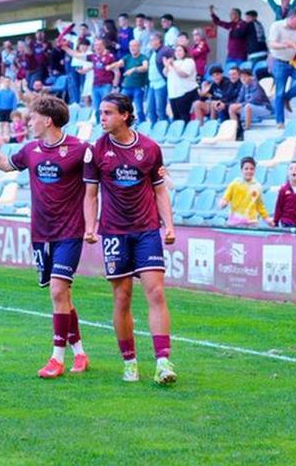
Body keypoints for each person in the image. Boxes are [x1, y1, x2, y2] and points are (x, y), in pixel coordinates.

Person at [0, 95, 90, 378]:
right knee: (62, 295)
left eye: (32, 118)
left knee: (58, 291)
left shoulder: (80, 149)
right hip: (41, 234)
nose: (28, 123)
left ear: (47, 120)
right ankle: (79, 352)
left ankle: (56, 359)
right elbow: (4, 163)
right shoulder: (31, 149)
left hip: (70, 232)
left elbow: (104, 171)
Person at [83, 93, 177, 385]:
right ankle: (130, 362)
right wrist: (90, 226)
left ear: (125, 115)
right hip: (114, 232)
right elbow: (90, 193)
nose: (102, 118)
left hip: (147, 229)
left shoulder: (149, 148)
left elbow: (160, 190)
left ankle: (162, 361)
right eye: (101, 112)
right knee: (122, 297)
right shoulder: (96, 150)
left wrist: (169, 226)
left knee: (156, 292)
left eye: (108, 112)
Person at [268, 9, 296, 128]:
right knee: (279, 92)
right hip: (280, 62)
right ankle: (280, 122)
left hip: (294, 62)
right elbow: (272, 44)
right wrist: (286, 45)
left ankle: (287, 97)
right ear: (292, 17)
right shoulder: (277, 26)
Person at [63, 39, 115, 123]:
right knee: (97, 109)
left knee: (106, 107)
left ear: (103, 46)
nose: (97, 47)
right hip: (95, 85)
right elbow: (77, 55)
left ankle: (109, 124)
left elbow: (116, 71)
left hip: (106, 85)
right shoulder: (93, 57)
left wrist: (115, 86)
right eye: (96, 45)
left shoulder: (110, 56)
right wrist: (65, 48)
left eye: (99, 45)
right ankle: (99, 126)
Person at [219, 156, 273, 227]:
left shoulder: (258, 186)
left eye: (251, 169)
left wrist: (267, 219)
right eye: (246, 169)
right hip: (235, 223)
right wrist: (223, 203)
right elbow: (225, 198)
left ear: (255, 170)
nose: (249, 171)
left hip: (251, 223)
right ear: (242, 170)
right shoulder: (235, 183)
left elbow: (260, 206)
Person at [109, 39, 149, 124]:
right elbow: (119, 63)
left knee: (139, 109)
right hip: (126, 87)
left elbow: (145, 67)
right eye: (131, 46)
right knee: (122, 108)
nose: (132, 48)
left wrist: (134, 69)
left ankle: (143, 126)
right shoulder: (127, 57)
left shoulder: (143, 57)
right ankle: (126, 125)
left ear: (139, 47)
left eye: (135, 46)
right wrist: (110, 66)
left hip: (138, 87)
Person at [229, 68, 272, 133]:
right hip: (251, 108)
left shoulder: (255, 85)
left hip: (264, 108)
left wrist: (240, 105)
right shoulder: (244, 86)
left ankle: (247, 128)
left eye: (245, 76)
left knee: (248, 106)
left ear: (250, 77)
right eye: (241, 77)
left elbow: (254, 100)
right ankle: (237, 130)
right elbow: (239, 98)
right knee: (231, 108)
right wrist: (236, 105)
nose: (243, 79)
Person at [164, 45, 199, 121]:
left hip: (185, 92)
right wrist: (167, 65)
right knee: (176, 117)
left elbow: (184, 74)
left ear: (185, 52)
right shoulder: (174, 62)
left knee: (184, 116)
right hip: (173, 93)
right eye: (176, 51)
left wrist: (173, 65)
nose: (178, 52)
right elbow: (166, 74)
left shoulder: (189, 61)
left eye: (180, 50)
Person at [145, 33, 172, 124]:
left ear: (158, 40)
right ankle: (153, 128)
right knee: (150, 108)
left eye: (152, 40)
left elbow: (174, 56)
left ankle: (163, 127)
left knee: (160, 109)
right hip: (152, 84)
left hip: (161, 83)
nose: (151, 42)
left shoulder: (166, 50)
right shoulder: (153, 52)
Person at [0, 77, 18, 143]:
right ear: (3, 83)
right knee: (2, 122)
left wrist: (14, 109)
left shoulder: (12, 93)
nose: (7, 83)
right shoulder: (0, 92)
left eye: (8, 82)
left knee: (8, 123)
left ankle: (7, 135)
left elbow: (14, 101)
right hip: (2, 109)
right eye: (6, 81)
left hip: (9, 109)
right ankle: (1, 134)